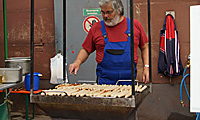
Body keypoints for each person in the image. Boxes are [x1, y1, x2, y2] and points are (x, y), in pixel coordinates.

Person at [69, 0, 149, 85]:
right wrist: (77, 62)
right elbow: (86, 50)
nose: (105, 16)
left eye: (109, 12)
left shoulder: (134, 25)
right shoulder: (96, 28)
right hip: (105, 80)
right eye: (103, 12)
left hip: (129, 80)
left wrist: (146, 67)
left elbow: (144, 47)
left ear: (118, 10)